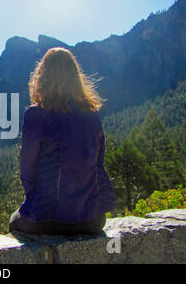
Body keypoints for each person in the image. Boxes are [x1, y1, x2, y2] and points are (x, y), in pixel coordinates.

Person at [9, 47, 117, 236]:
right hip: (94, 219)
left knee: (14, 221)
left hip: (50, 218)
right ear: (76, 77)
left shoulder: (36, 114)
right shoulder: (92, 114)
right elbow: (98, 161)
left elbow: (28, 170)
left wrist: (38, 201)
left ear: (42, 76)